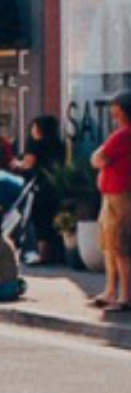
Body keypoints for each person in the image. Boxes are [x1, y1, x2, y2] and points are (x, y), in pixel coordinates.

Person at [91, 91, 131, 313]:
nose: (113, 116)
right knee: (110, 245)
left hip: (120, 196)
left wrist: (101, 157)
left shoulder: (123, 135)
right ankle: (110, 291)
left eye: (116, 111)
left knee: (119, 246)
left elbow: (97, 159)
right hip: (114, 195)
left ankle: (124, 295)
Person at [11, 116, 67, 265]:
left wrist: (17, 163)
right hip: (55, 186)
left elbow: (28, 164)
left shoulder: (34, 144)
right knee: (50, 219)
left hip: (39, 187)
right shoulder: (58, 144)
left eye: (35, 127)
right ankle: (54, 253)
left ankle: (42, 254)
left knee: (39, 220)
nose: (32, 130)